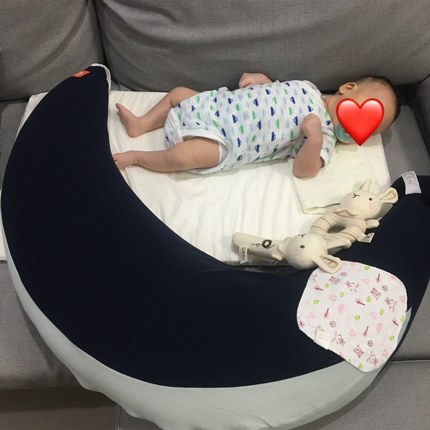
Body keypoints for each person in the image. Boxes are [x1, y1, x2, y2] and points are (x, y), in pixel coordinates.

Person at [113, 73, 399, 178]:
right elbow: (279, 91)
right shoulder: (308, 87)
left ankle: (137, 157)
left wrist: (312, 140)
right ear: (347, 89)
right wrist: (262, 81)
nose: (359, 129)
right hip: (217, 105)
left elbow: (303, 171)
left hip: (227, 139)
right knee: (177, 94)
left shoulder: (324, 138)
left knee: (182, 157)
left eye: (369, 130)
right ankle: (141, 124)